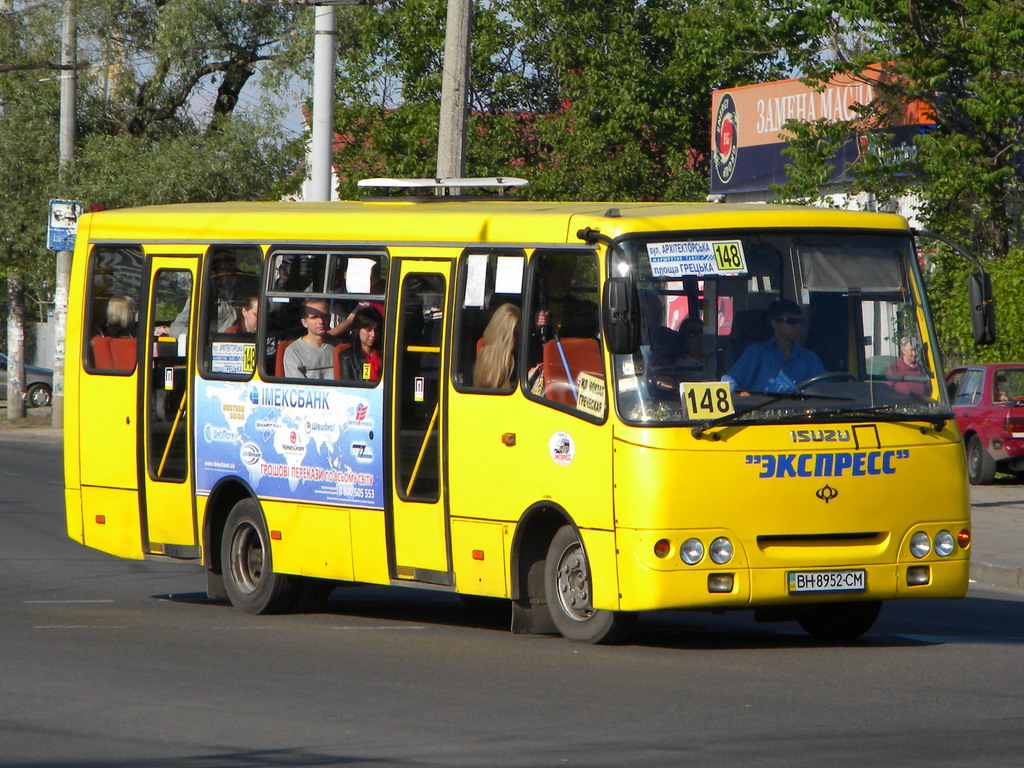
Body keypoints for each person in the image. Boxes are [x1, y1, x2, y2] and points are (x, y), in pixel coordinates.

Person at [723, 299, 824, 394]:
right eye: (791, 321)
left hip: (802, 411)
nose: (797, 326)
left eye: (800, 322)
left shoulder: (811, 359)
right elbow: (729, 381)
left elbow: (823, 390)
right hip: (762, 410)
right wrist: (739, 393)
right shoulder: (757, 352)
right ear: (774, 323)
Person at [283, 299, 337, 379]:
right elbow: (298, 387)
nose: (321, 321)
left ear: (329, 318)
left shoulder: (340, 346)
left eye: (324, 316)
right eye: (314, 317)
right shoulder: (294, 351)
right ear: (304, 322)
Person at [473, 304, 520, 389]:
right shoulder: (494, 358)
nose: (519, 339)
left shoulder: (514, 353)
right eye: (516, 334)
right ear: (506, 335)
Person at [338, 306, 383, 382]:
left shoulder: (384, 353)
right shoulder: (347, 356)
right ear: (358, 330)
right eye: (368, 330)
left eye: (376, 330)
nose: (373, 335)